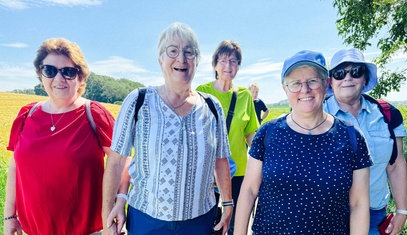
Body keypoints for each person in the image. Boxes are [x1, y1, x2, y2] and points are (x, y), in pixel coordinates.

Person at [102, 22, 233, 235]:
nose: (181, 58)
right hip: (147, 220)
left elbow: (221, 160)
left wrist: (227, 202)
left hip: (199, 221)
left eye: (189, 52)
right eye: (172, 51)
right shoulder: (139, 101)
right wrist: (109, 213)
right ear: (160, 59)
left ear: (197, 61)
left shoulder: (212, 107)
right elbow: (116, 162)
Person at [234, 50, 372, 235]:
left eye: (312, 81)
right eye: (295, 83)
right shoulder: (268, 133)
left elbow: (358, 204)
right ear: (285, 89)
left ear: (326, 84)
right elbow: (249, 191)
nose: (304, 89)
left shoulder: (351, 137)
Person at [3, 38, 115, 235]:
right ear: (41, 74)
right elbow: (14, 167)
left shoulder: (94, 114)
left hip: (88, 231)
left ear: (81, 78)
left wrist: (112, 214)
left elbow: (120, 165)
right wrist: (9, 216)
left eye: (68, 72)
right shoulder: (26, 115)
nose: (58, 78)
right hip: (33, 231)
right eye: (50, 70)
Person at [323, 48, 407, 235]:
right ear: (331, 81)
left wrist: (402, 210)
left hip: (374, 214)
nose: (347, 78)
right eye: (339, 73)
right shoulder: (314, 115)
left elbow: (396, 164)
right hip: (327, 216)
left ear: (364, 79)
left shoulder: (387, 114)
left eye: (356, 72)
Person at [196, 40, 259, 235]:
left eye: (233, 61)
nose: (228, 66)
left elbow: (251, 135)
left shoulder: (245, 96)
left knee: (236, 224)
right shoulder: (201, 92)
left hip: (238, 171)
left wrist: (263, 164)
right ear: (214, 64)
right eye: (222, 60)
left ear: (238, 66)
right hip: (208, 172)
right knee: (209, 224)